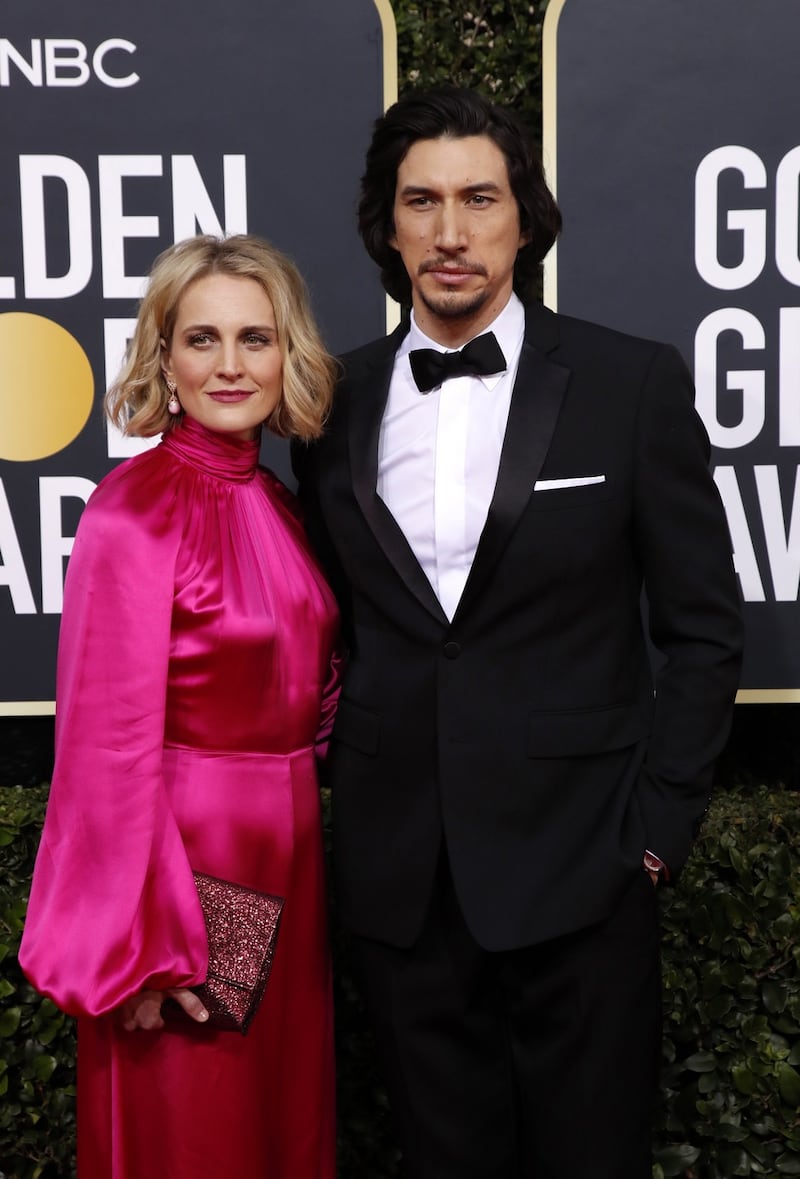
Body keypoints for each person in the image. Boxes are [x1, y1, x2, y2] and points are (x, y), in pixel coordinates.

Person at [292, 87, 744, 1178]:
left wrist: (656, 831)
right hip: (402, 879)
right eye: (422, 202)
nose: (450, 233)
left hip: (582, 865)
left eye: (478, 199)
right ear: (384, 224)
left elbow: (701, 626)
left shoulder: (627, 382)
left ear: (523, 219)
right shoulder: (324, 402)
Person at [20, 234, 341, 1179]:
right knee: (196, 1130)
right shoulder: (135, 513)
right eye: (202, 339)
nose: (231, 365)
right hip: (193, 881)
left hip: (287, 862)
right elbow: (103, 752)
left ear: (289, 354)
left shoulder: (278, 501)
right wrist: (145, 947)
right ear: (164, 355)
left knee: (276, 1123)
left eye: (256, 337)